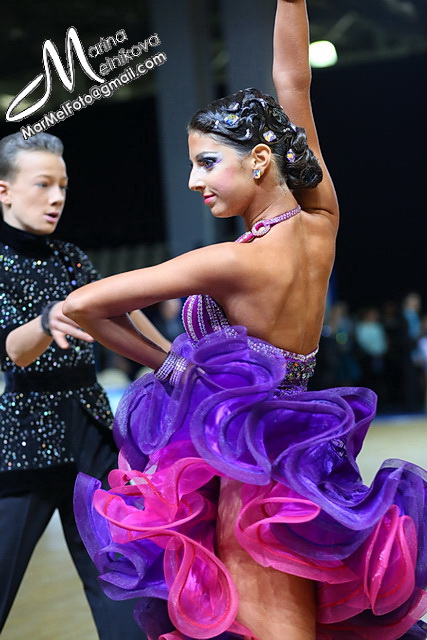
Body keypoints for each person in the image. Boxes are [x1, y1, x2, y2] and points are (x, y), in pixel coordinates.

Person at [64, 1, 427, 639]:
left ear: (259, 159)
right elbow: (294, 84)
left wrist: (171, 367)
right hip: (308, 452)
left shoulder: (233, 262)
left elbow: (81, 305)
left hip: (245, 466)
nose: (193, 180)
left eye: (207, 162)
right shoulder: (320, 221)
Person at [0, 131, 169, 638]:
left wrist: (176, 362)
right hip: (24, 441)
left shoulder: (71, 257)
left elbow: (122, 313)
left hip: (89, 435)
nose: (56, 197)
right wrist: (46, 320)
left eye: (63, 186)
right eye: (42, 184)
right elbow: (13, 351)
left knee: (119, 582)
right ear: (4, 190)